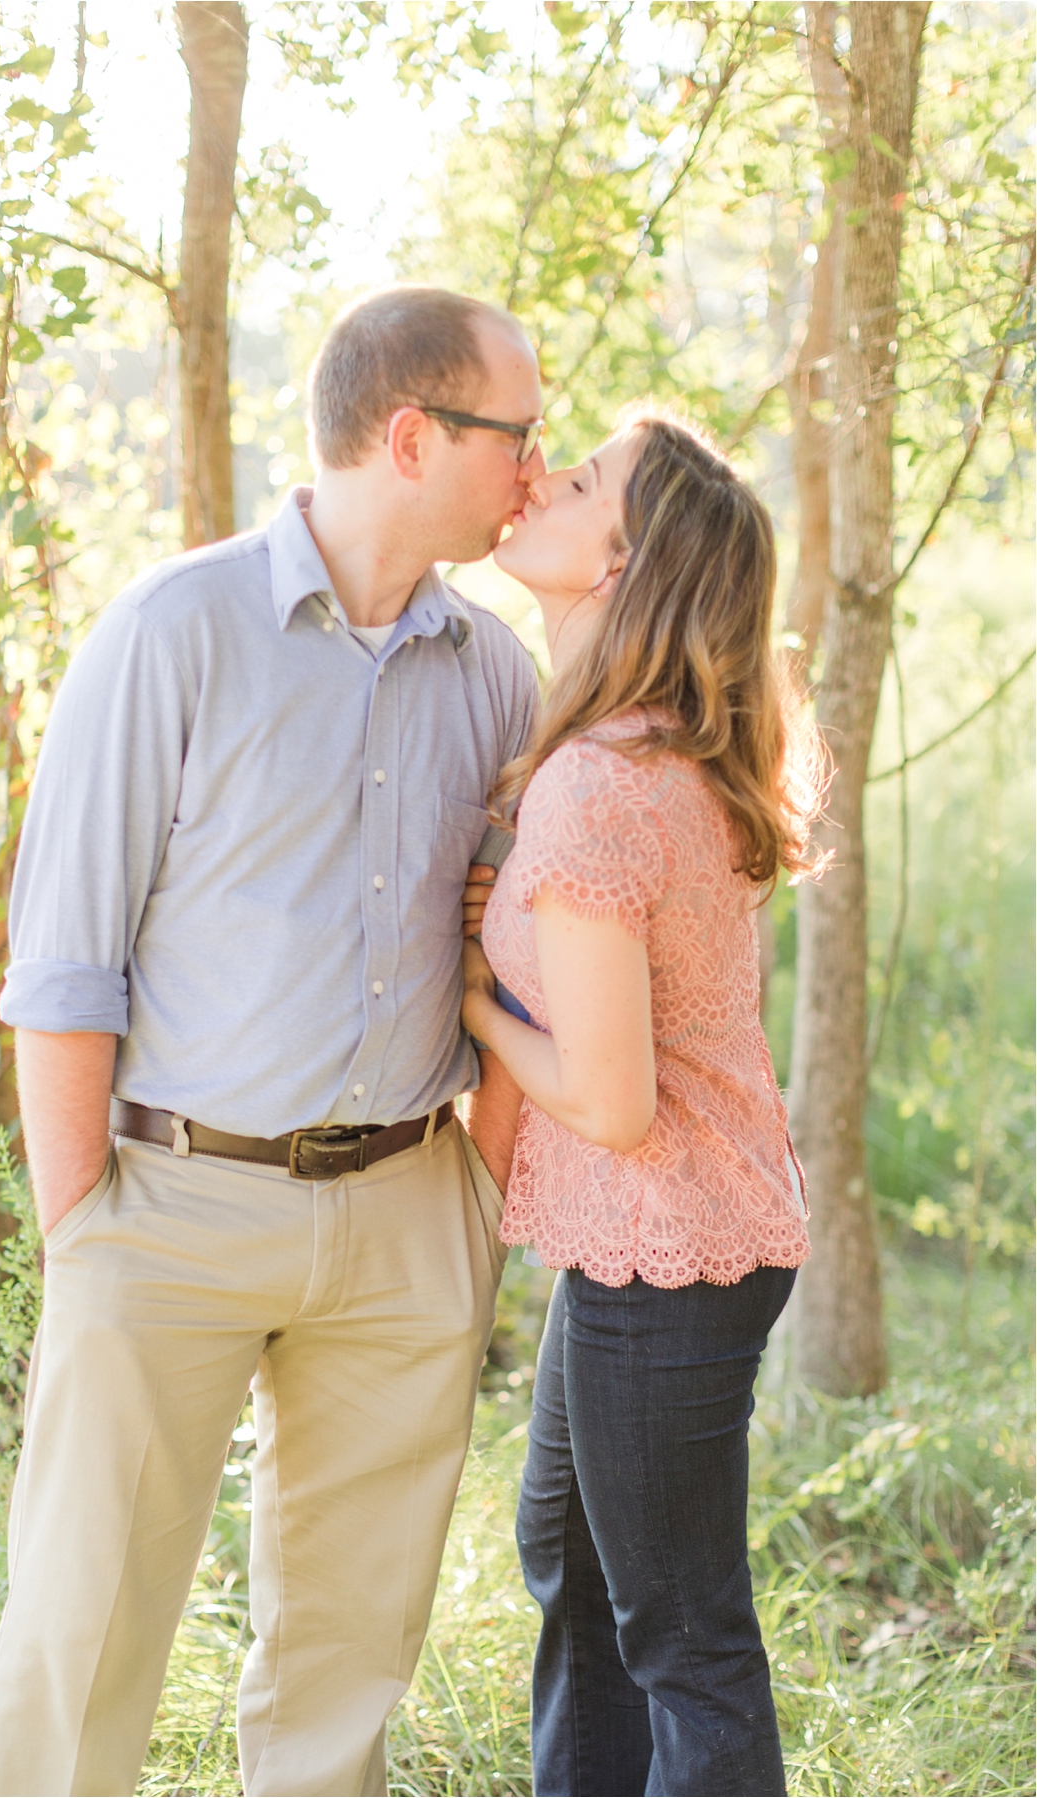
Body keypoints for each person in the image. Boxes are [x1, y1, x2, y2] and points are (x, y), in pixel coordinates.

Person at [0, 286, 545, 1798]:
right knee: (77, 1640)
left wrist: (472, 1192)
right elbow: (64, 961)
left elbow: (519, 946)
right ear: (413, 436)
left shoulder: (495, 674)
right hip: (168, 1214)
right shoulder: (171, 631)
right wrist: (90, 1225)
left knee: (348, 1671)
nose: (536, 467)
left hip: (409, 1212)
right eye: (517, 434)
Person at [460, 409, 824, 1798]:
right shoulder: (637, 750)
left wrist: (480, 1006)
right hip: (668, 1237)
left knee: (683, 1639)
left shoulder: (603, 786)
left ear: (624, 564)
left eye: (587, 477)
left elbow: (610, 1100)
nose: (546, 474)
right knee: (572, 1561)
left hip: (669, 1243)